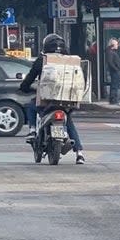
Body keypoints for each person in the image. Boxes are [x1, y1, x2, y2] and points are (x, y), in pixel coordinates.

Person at [19, 33, 85, 165]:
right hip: (68, 101)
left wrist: (25, 87)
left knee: (30, 106)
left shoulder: (42, 60)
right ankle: (79, 153)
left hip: (46, 101)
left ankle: (32, 130)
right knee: (69, 122)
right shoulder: (71, 61)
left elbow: (28, 80)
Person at [106, 38, 120, 105]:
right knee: (114, 86)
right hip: (115, 72)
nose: (118, 45)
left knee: (115, 86)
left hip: (117, 71)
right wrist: (116, 69)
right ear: (113, 45)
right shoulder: (110, 52)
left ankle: (114, 99)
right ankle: (113, 100)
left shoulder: (112, 52)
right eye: (116, 44)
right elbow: (110, 63)